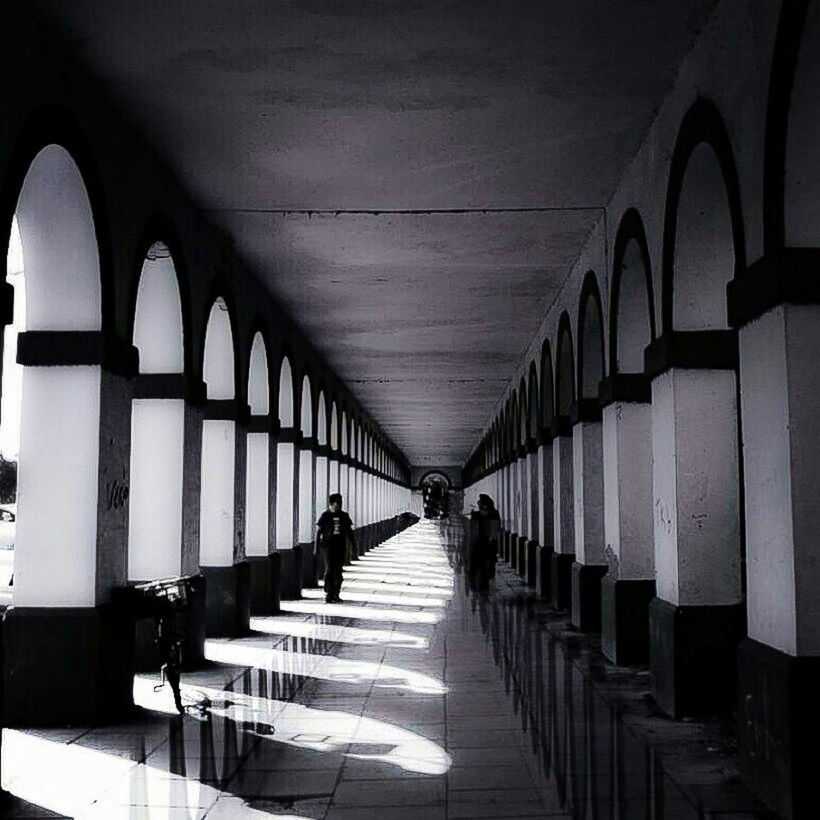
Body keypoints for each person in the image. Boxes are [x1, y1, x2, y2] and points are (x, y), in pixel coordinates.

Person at [314, 493, 355, 603]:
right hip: (327, 547)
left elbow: (350, 532)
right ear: (332, 504)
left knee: (338, 571)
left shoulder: (344, 516)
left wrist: (353, 547)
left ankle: (336, 593)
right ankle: (329, 592)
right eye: (337, 503)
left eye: (340, 503)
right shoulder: (325, 516)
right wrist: (315, 548)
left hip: (340, 546)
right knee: (329, 570)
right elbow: (319, 532)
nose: (339, 505)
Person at [469, 493, 501, 592]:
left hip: (485, 542)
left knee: (482, 563)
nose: (478, 503)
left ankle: (480, 584)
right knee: (483, 563)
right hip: (486, 542)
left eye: (480, 502)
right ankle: (482, 584)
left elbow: (492, 527)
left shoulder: (490, 514)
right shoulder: (494, 513)